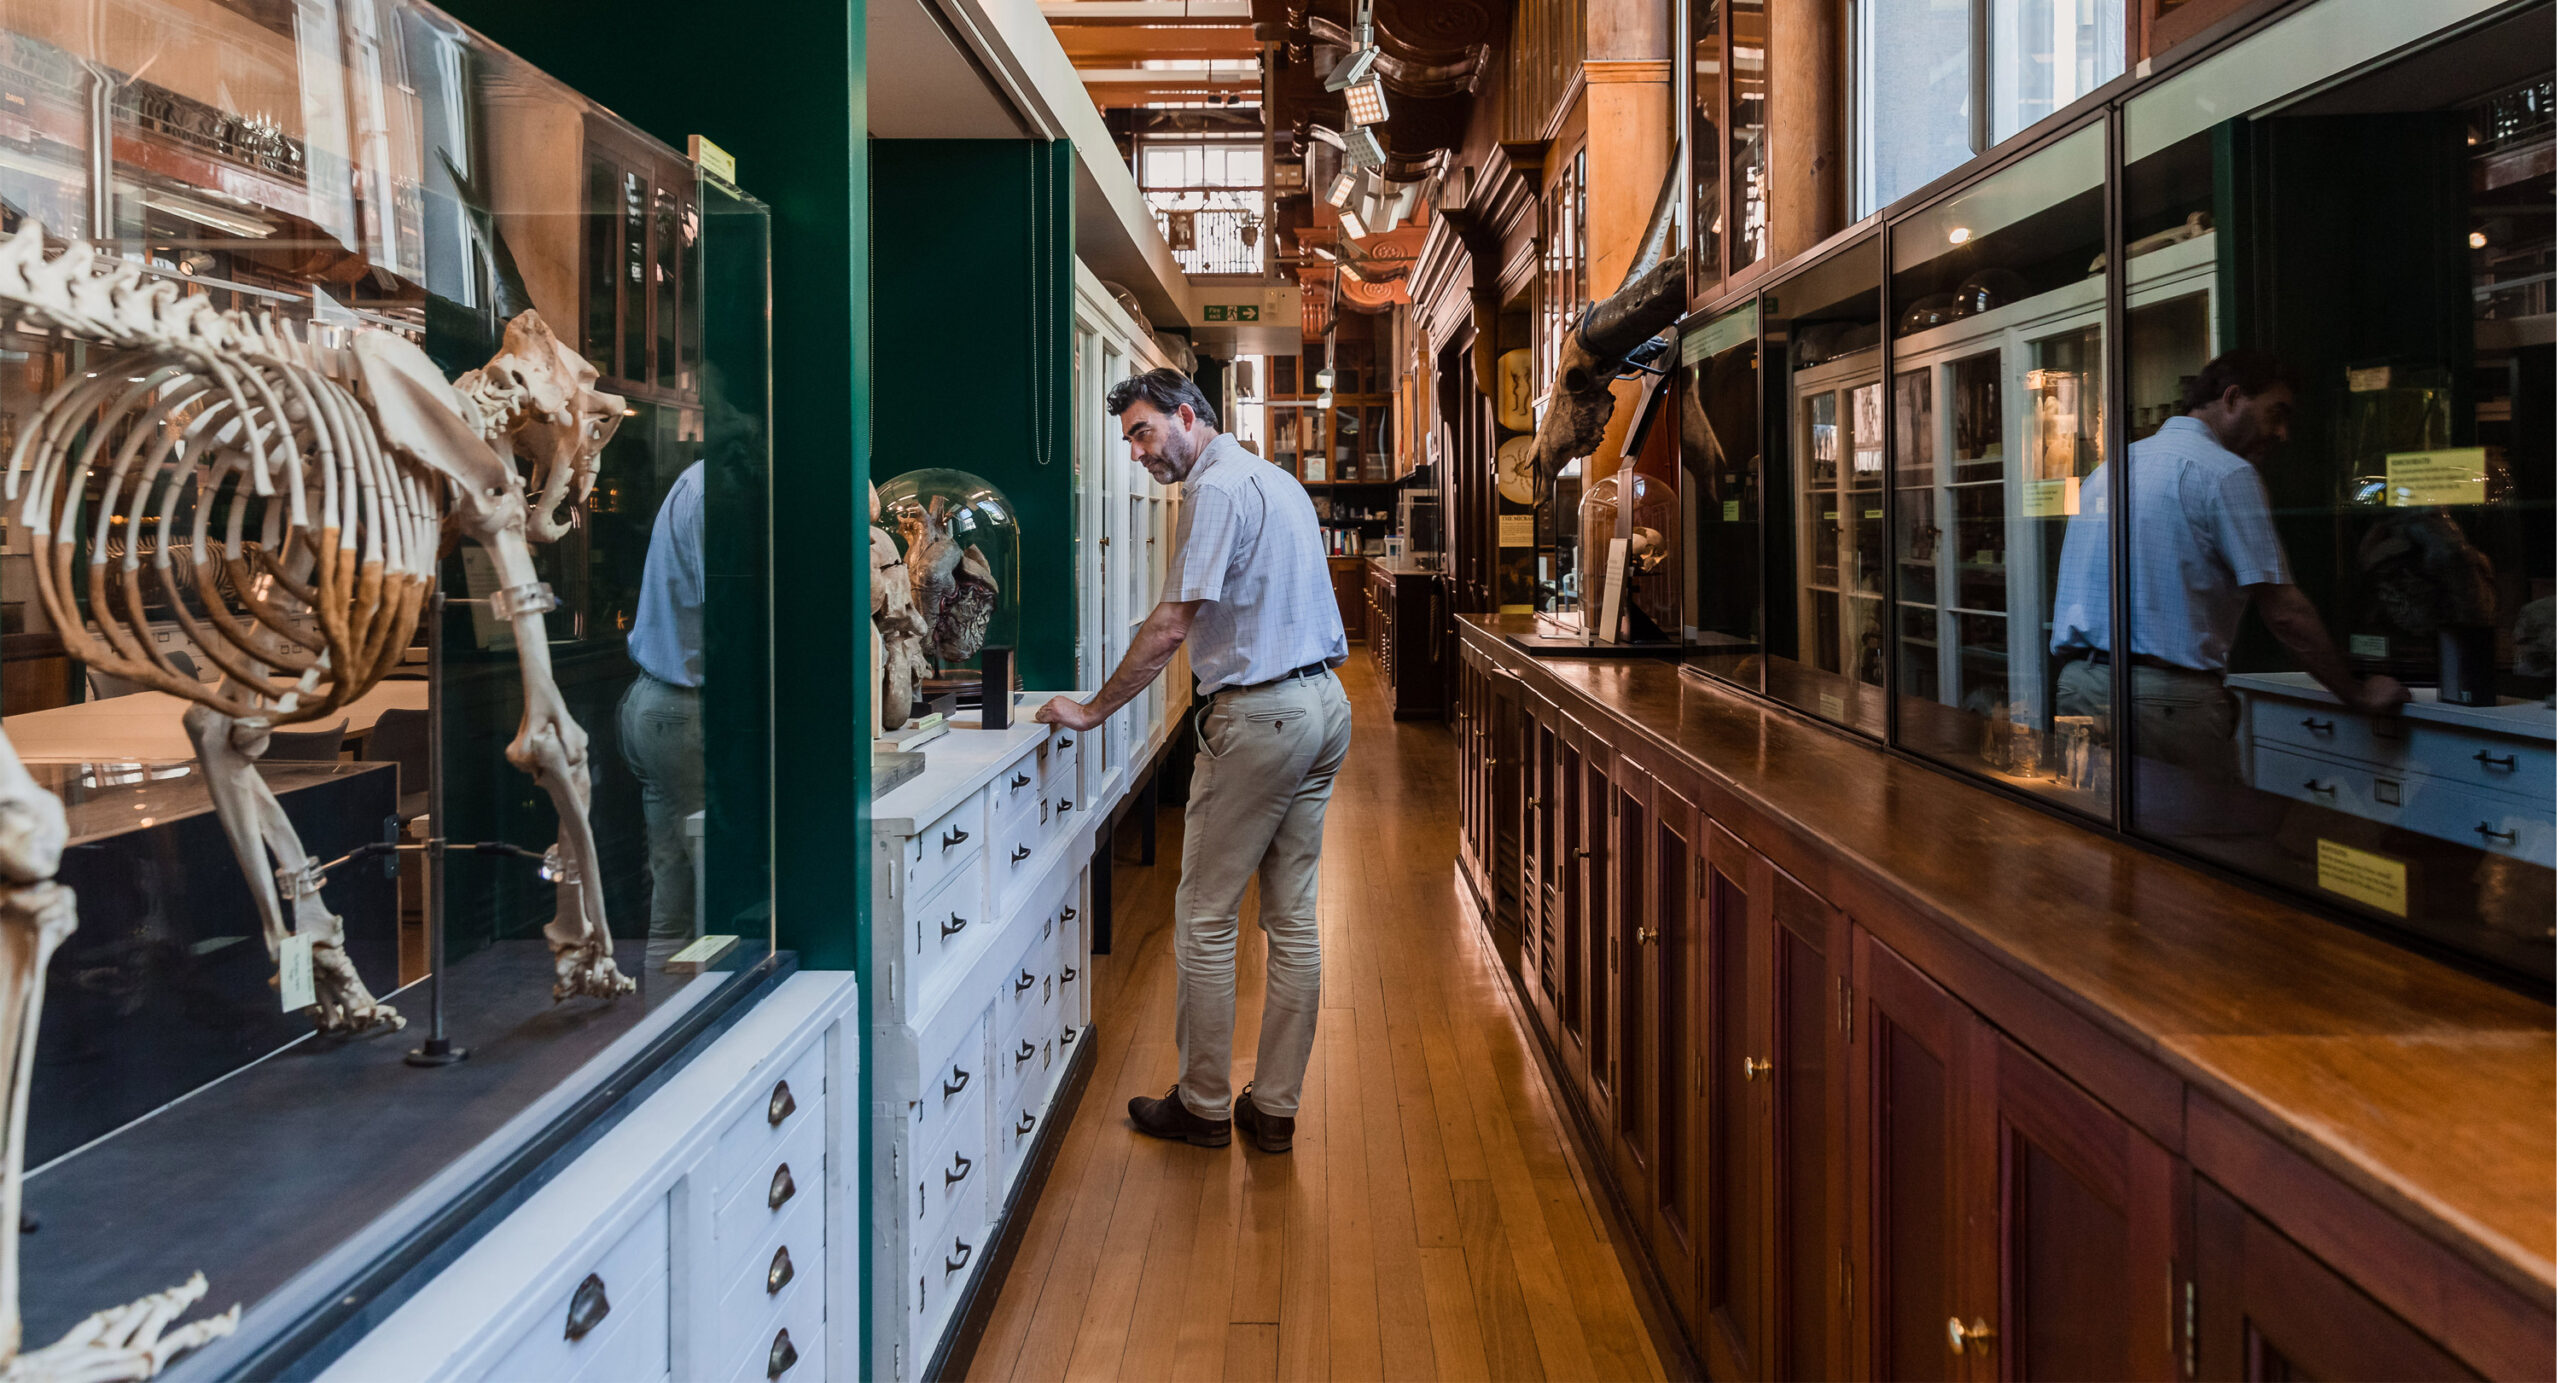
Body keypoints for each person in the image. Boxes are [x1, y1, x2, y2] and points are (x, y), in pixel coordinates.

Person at [1035, 368, 1349, 1154]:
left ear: (1186, 415)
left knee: (1206, 917)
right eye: (1129, 440)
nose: (1137, 453)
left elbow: (1174, 623)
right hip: (1322, 706)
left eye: (1142, 431)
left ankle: (1205, 1103)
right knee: (1291, 917)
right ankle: (1273, 1107)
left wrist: (1093, 708)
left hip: (1262, 716)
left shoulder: (1215, 489)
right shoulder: (1276, 480)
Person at [2049, 350, 2406, 795]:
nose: (2282, 433)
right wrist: (2357, 693)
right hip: (2165, 700)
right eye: (2277, 414)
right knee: (2197, 844)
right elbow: (2284, 614)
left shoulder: (2109, 470)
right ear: (2233, 398)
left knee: (2094, 842)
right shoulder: (2225, 473)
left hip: (2081, 685)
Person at [621, 459, 706, 970]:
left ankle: (671, 1026)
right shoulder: (716, 491)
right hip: (685, 711)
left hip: (658, 703)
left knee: (673, 909)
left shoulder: (696, 480)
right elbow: (731, 608)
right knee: (718, 907)